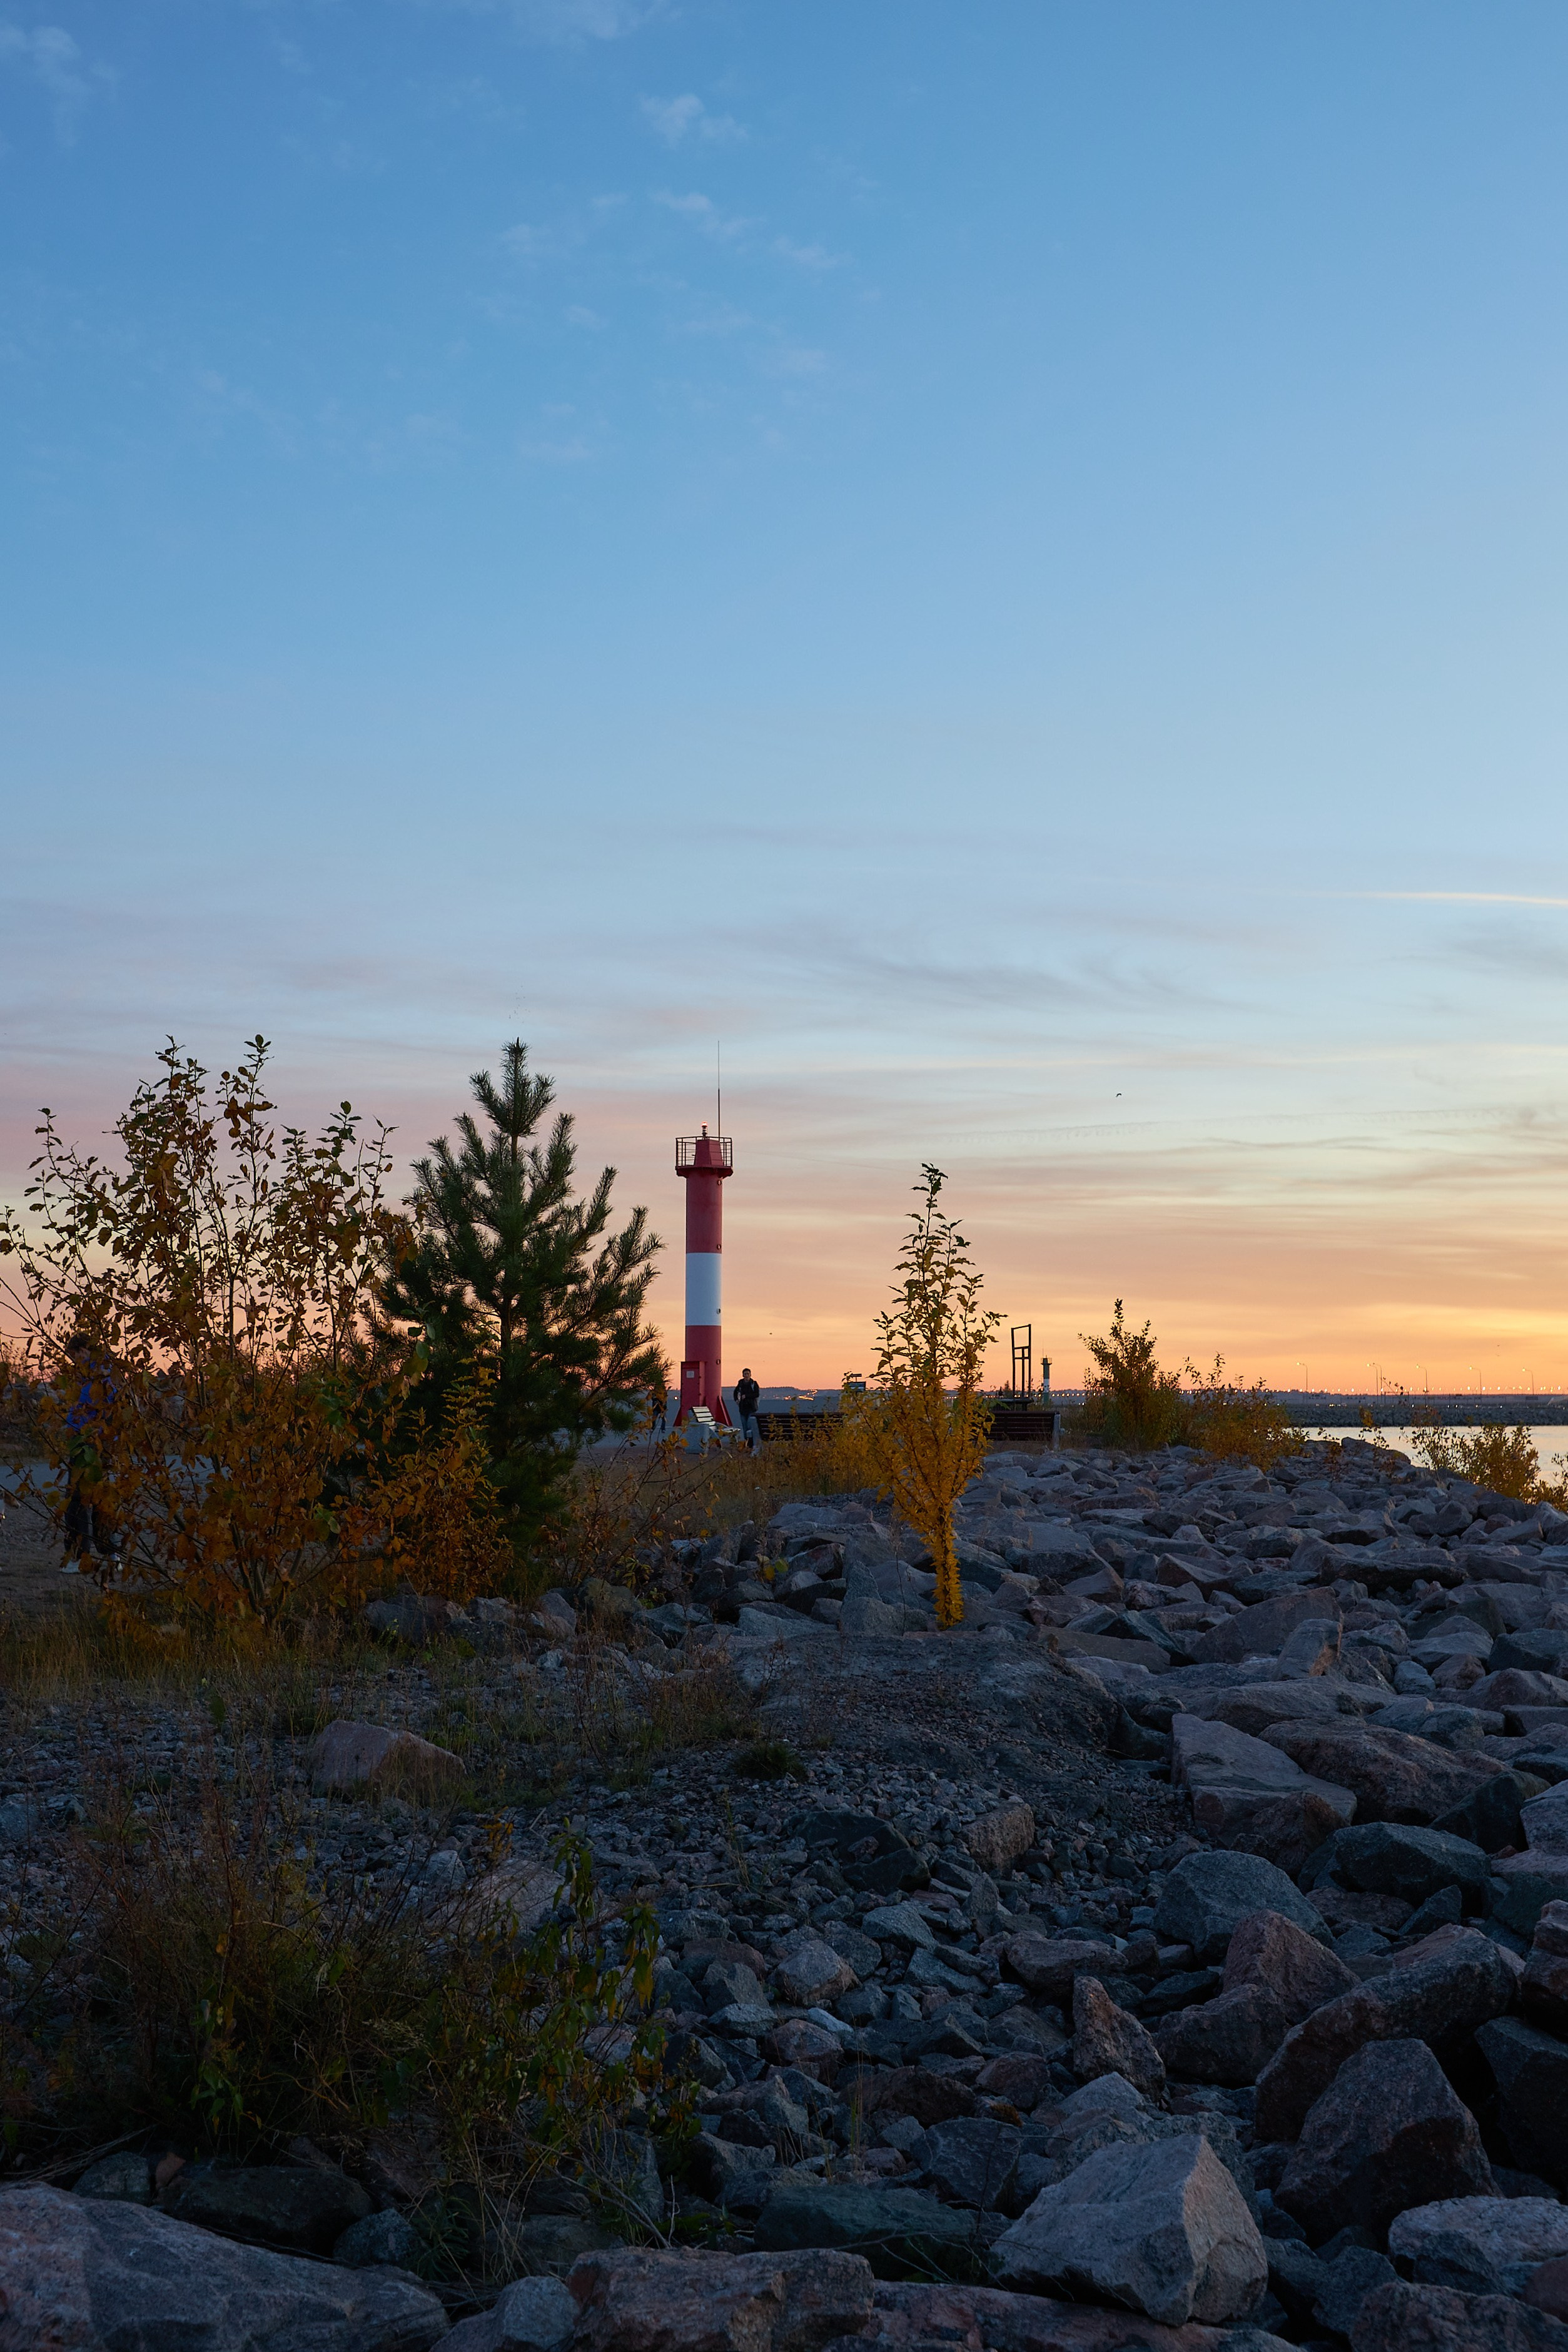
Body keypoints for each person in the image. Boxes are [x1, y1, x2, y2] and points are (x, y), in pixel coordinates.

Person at [60, 1335, 121, 1574]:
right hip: (97, 1445)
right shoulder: (101, 1373)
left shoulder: (101, 1376)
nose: (74, 1361)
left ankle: (77, 1558)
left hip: (91, 1446)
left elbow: (103, 1412)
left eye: (76, 1355)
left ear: (84, 1350)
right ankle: (110, 1555)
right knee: (101, 1502)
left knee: (78, 1503)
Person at [734, 1367, 762, 1452]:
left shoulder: (754, 1384)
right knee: (745, 1427)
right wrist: (737, 1400)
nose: (746, 1375)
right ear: (743, 1375)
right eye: (745, 1374)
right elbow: (735, 1392)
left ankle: (750, 1444)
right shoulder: (741, 1384)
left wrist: (747, 1396)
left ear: (750, 1375)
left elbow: (757, 1394)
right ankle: (747, 1445)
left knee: (750, 1426)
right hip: (743, 1409)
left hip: (751, 1408)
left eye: (748, 1374)